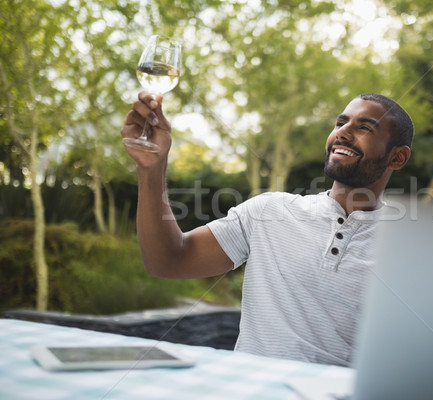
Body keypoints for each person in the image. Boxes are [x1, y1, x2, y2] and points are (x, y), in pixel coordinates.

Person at [121, 92, 414, 366]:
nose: (343, 133)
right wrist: (151, 169)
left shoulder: (408, 249)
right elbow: (167, 261)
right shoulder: (269, 211)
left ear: (397, 157)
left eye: (365, 128)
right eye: (340, 122)